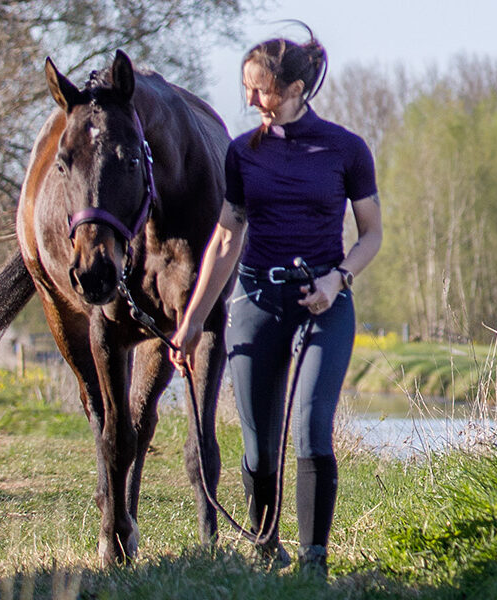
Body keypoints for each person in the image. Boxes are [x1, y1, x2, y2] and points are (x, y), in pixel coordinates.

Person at [170, 26, 383, 577]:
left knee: (312, 425)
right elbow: (225, 239)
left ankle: (313, 562)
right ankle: (266, 546)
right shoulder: (241, 154)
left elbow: (371, 235)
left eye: (260, 89)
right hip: (257, 300)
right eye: (246, 87)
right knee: (259, 446)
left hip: (323, 302)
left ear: (294, 89)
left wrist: (337, 280)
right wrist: (191, 322)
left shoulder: (346, 150)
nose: (249, 100)